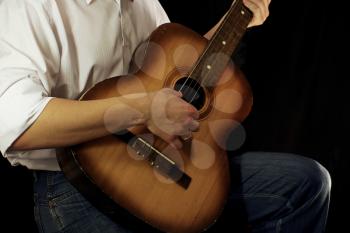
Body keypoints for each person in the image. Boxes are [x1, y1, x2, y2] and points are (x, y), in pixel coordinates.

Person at [0, 0, 331, 233]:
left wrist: (237, 17)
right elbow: (17, 124)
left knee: (305, 183)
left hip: (163, 169)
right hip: (77, 185)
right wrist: (145, 108)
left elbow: (176, 73)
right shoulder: (30, 7)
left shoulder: (141, 3)